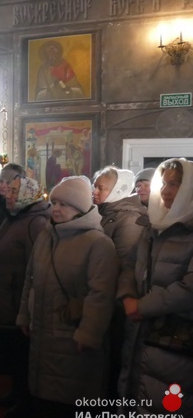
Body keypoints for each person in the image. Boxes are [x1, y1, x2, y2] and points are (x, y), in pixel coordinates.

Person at [17, 176, 118, 418]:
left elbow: (101, 294)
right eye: (55, 203)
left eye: (64, 204)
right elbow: (30, 279)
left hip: (72, 335)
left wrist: (89, 333)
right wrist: (24, 315)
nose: (57, 209)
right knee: (45, 400)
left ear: (80, 208)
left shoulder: (98, 243)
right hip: (42, 330)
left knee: (69, 404)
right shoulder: (46, 236)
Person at [121, 159, 193, 418]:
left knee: (167, 411)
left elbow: (189, 286)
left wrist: (142, 307)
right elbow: (130, 265)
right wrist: (127, 297)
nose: (165, 190)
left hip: (175, 336)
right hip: (139, 330)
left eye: (175, 184)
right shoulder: (154, 223)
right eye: (163, 183)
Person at [0, 175, 50, 418]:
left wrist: (26, 304)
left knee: (22, 354)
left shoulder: (36, 222)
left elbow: (36, 267)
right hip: (7, 298)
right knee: (15, 354)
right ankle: (16, 394)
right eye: (9, 191)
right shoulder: (15, 217)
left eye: (16, 191)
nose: (9, 195)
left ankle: (26, 403)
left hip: (18, 300)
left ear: (29, 194)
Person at [91, 167, 146, 400]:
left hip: (113, 303)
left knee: (112, 359)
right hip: (99, 297)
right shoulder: (103, 212)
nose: (94, 192)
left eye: (101, 188)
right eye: (94, 186)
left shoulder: (129, 219)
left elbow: (122, 266)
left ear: (118, 190)